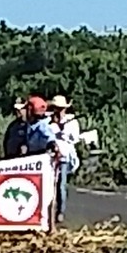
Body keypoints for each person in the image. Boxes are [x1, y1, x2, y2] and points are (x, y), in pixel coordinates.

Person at [49, 95, 81, 223]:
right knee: (50, 186)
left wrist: (63, 132)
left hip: (64, 157)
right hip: (50, 158)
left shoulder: (72, 122)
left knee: (61, 185)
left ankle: (60, 211)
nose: (58, 110)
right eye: (56, 108)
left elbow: (75, 139)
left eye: (60, 108)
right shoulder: (49, 122)